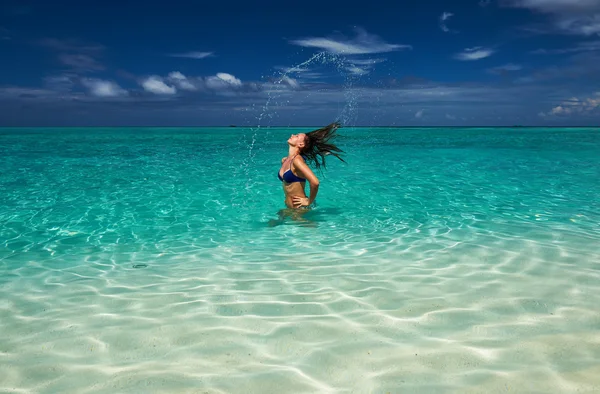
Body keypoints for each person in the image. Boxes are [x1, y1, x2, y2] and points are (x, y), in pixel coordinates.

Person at [277, 122, 345, 209]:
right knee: (271, 223)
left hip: (299, 210)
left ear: (301, 144)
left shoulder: (297, 161)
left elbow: (315, 182)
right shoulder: (285, 160)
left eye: (297, 136)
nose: (292, 135)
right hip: (289, 208)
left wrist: (309, 201)